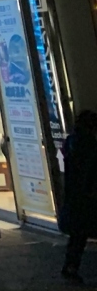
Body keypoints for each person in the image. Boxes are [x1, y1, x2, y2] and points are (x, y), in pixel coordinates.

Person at [59, 109, 97, 283]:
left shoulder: (70, 142)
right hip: (87, 195)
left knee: (77, 236)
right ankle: (70, 267)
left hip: (75, 195)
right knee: (80, 233)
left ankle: (70, 266)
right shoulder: (89, 144)